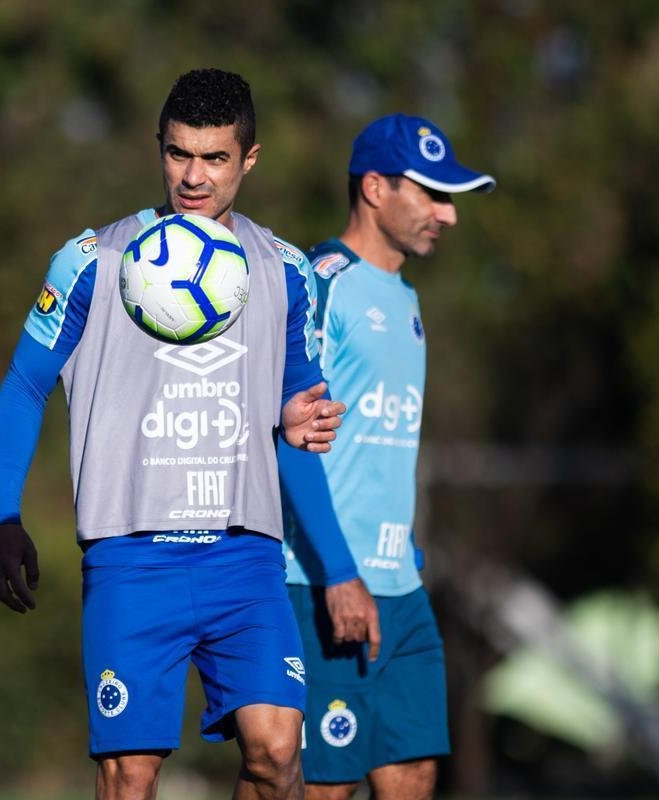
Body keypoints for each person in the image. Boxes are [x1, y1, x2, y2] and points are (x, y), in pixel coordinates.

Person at [0, 68, 378, 800]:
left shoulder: (288, 273)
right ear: (158, 148)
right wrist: (2, 514)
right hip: (132, 558)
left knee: (277, 752)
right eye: (178, 154)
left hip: (245, 556)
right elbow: (25, 383)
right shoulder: (92, 261)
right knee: (129, 777)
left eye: (215, 158)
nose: (193, 177)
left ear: (249, 158)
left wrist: (329, 544)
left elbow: (295, 421)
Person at [280, 114, 495, 800]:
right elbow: (289, 442)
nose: (448, 215)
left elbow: (383, 445)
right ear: (374, 187)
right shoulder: (322, 284)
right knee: (326, 787)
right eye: (433, 194)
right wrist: (340, 573)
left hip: (400, 588)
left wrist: (398, 552)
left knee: (414, 774)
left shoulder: (406, 300)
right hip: (321, 583)